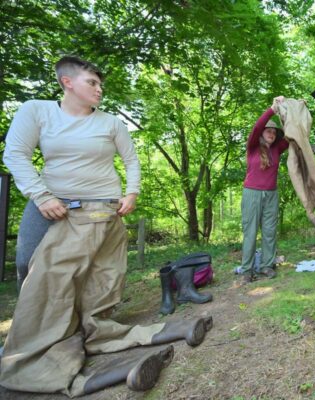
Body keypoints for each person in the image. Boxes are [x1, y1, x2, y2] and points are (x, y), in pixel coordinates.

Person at [0, 56, 211, 397]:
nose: (99, 89)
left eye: (100, 84)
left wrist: (131, 192)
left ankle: (84, 333)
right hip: (51, 203)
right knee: (34, 271)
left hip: (101, 208)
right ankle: (37, 343)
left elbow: (130, 160)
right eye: (92, 83)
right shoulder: (37, 111)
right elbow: (15, 154)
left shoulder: (111, 123)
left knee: (99, 279)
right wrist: (40, 195)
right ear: (67, 82)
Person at [240, 96, 289, 283]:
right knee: (250, 232)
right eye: (268, 131)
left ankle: (267, 266)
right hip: (251, 193)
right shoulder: (252, 147)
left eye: (274, 132)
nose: (271, 134)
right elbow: (256, 127)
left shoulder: (277, 150)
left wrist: (291, 112)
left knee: (269, 231)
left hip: (271, 194)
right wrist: (272, 109)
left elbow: (291, 134)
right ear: (262, 134)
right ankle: (247, 270)